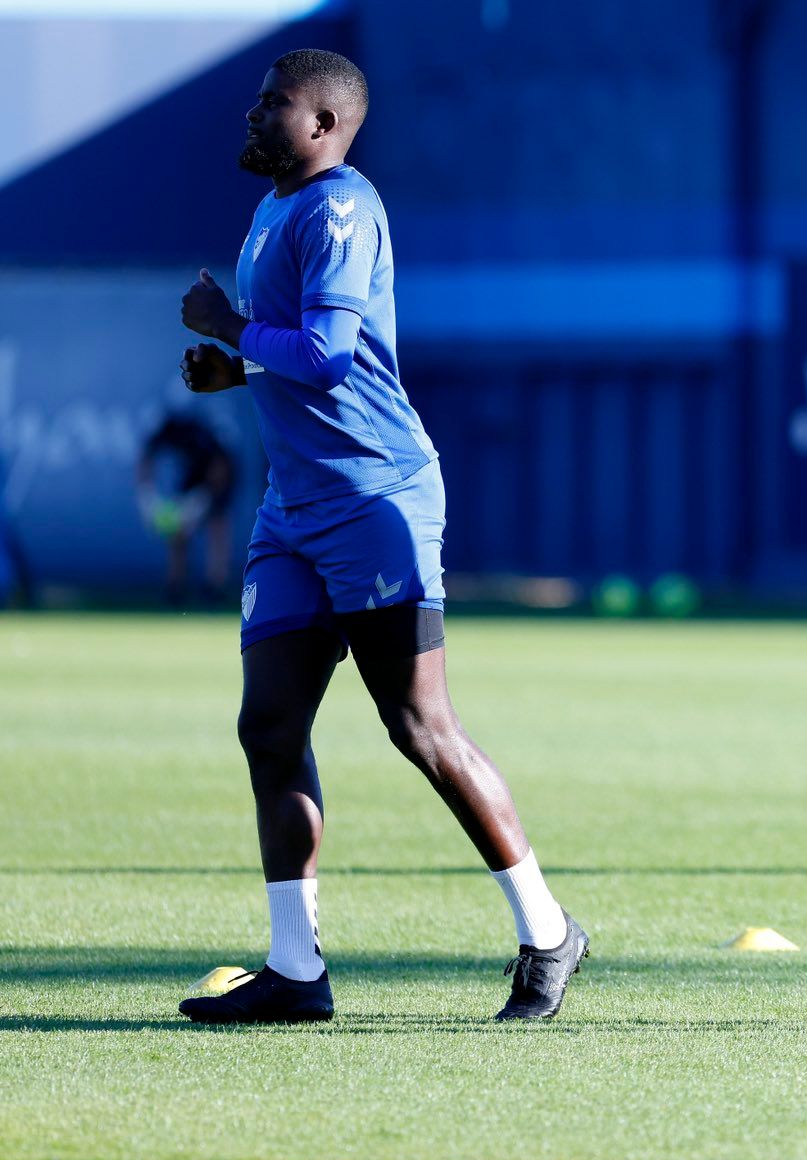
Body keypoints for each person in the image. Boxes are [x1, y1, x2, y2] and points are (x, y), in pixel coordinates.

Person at [174, 49, 586, 1024]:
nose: (254, 113)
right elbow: (321, 352)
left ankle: (548, 932)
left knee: (419, 728)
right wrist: (240, 369)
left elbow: (324, 353)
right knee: (270, 727)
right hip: (293, 510)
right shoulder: (277, 206)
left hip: (374, 499)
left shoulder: (340, 208)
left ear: (323, 123)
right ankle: (295, 969)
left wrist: (230, 329)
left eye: (274, 102)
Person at [136, 407, 237, 607]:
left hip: (219, 479)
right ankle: (176, 587)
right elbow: (146, 459)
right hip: (192, 477)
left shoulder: (201, 435)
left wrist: (203, 499)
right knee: (178, 531)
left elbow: (220, 469)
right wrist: (146, 495)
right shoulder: (165, 431)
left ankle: (214, 586)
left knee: (217, 528)